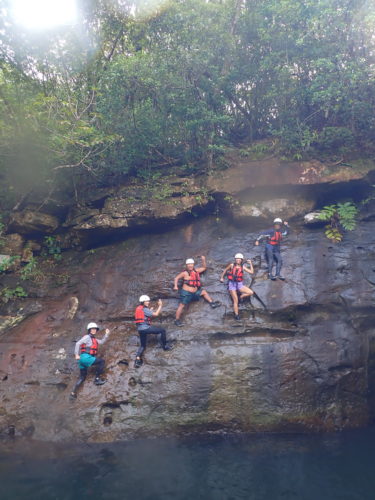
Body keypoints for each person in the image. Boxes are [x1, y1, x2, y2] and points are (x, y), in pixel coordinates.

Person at [173, 256, 221, 326]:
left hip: (194, 292)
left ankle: (212, 303)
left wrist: (203, 260)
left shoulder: (196, 271)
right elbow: (176, 278)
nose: (190, 265)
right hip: (186, 293)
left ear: (193, 265)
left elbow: (204, 268)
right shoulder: (184, 273)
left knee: (204, 292)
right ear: (186, 265)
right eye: (189, 264)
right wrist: (175, 286)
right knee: (181, 305)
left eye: (191, 264)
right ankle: (176, 320)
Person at [70, 322, 111, 399]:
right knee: (101, 361)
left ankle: (73, 393)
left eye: (95, 329)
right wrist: (76, 354)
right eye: (92, 329)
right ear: (89, 330)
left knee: (82, 377)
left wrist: (106, 334)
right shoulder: (87, 337)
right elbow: (78, 343)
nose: (94, 330)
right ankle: (97, 379)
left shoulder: (93, 339)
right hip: (85, 357)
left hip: (82, 360)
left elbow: (102, 342)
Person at [134, 295, 172, 368]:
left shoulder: (139, 308)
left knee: (143, 345)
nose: (148, 302)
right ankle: (165, 346)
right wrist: (160, 305)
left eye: (148, 301)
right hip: (146, 328)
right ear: (143, 302)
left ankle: (137, 359)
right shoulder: (144, 309)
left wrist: (150, 311)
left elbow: (144, 316)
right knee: (162, 331)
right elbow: (156, 314)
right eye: (147, 301)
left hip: (140, 330)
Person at [220, 253, 254, 320]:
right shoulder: (232, 265)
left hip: (239, 284)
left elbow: (251, 272)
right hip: (232, 284)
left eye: (239, 259)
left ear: (241, 260)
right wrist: (221, 277)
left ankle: (241, 296)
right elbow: (225, 270)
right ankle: (236, 315)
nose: (238, 260)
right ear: (235, 259)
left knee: (251, 292)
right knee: (236, 301)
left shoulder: (243, 267)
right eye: (237, 259)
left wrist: (250, 263)